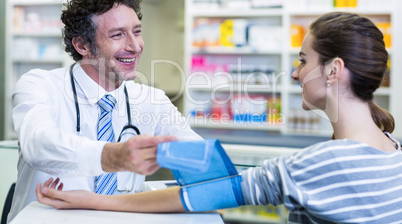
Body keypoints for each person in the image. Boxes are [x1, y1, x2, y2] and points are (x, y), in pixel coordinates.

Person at [36, 12, 402, 223]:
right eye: (118, 34)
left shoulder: (320, 164)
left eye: (304, 60)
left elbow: (210, 193)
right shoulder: (393, 150)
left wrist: (94, 200)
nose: (294, 73)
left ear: (335, 70)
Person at [8, 0, 202, 223]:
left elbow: (201, 162)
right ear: (82, 44)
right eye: (117, 35)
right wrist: (113, 156)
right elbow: (38, 145)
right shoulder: (40, 86)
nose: (135, 46)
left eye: (137, 31)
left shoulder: (152, 100)